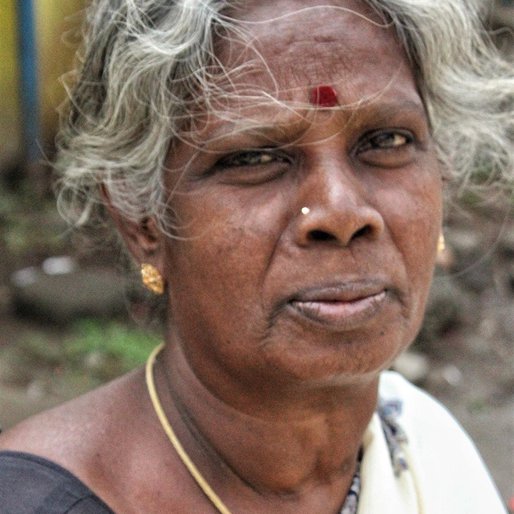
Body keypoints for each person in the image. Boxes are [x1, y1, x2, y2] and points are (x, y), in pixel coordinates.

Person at [0, 0, 511, 512]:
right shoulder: (39, 502)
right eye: (256, 158)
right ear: (143, 220)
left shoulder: (428, 444)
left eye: (386, 140)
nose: (340, 212)